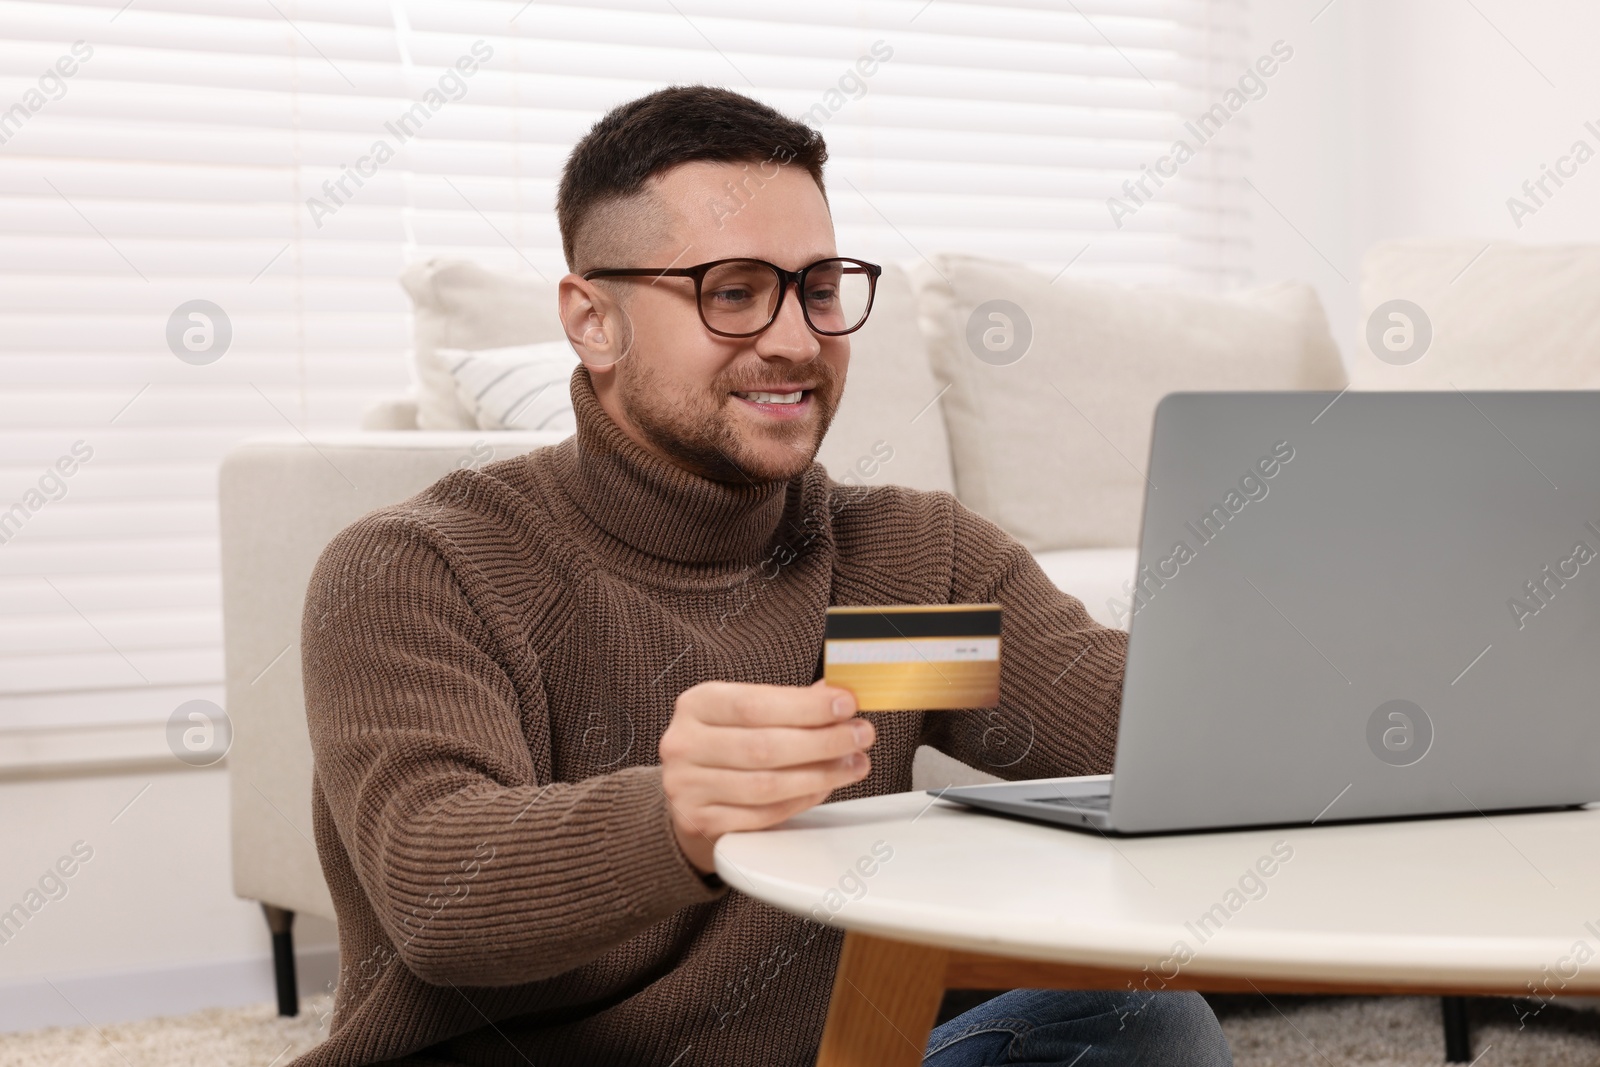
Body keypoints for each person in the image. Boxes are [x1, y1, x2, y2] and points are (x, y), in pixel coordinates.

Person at [293, 85, 1232, 1067]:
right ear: (593, 318)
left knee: (1143, 1017)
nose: (794, 338)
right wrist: (674, 814)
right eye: (732, 290)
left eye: (818, 288)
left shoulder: (901, 579)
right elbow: (437, 888)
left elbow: (1139, 731)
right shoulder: (422, 568)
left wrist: (1344, 659)